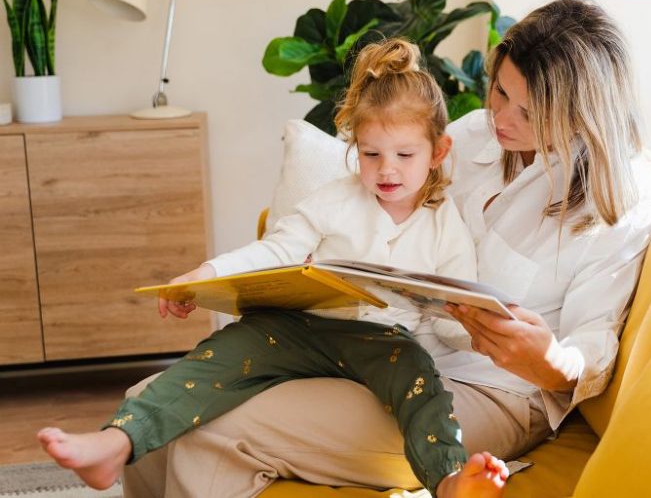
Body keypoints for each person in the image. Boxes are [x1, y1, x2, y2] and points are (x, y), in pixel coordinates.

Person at [67, 0, 651, 498]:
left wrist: (548, 360)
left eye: (527, 111)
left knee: (211, 430)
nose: (500, 117)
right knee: (145, 399)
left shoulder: (624, 204)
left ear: (580, 113)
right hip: (380, 343)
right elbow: (385, 185)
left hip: (489, 390)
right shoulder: (475, 136)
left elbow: (590, 351)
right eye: (499, 91)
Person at [36, 38, 511, 498]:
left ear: (439, 152)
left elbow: (453, 321)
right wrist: (208, 273)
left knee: (419, 377)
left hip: (382, 345)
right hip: (300, 327)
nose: (387, 170)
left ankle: (448, 479)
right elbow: (276, 249)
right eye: (370, 154)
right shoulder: (334, 200)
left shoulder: (445, 224)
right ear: (356, 147)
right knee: (217, 355)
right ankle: (116, 442)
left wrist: (469, 322)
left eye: (405, 155)